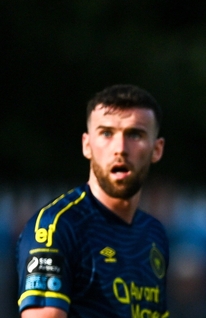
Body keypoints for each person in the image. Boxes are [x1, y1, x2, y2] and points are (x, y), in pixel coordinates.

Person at [16, 84, 170, 318]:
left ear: (157, 149)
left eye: (134, 134)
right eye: (107, 133)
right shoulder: (58, 228)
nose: (120, 149)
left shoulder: (154, 234)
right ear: (87, 145)